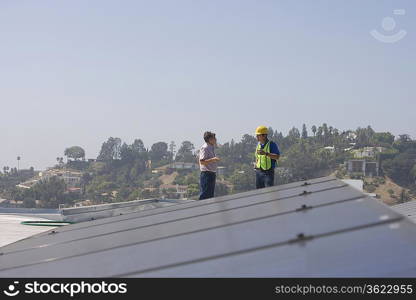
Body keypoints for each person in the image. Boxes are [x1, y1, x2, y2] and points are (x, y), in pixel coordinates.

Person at [198, 131, 220, 200]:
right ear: (210, 139)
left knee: (210, 195)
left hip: (211, 173)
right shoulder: (205, 148)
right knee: (205, 195)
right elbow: (202, 161)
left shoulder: (211, 147)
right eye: (214, 138)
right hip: (206, 174)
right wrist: (213, 159)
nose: (215, 140)